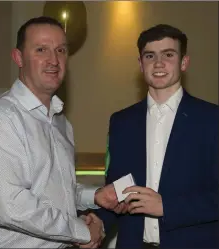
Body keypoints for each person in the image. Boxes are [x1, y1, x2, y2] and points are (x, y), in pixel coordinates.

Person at [0, 16, 125, 248]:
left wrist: (94, 196)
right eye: (41, 49)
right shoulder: (3, 118)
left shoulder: (61, 122)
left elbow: (56, 191)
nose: (53, 60)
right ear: (18, 58)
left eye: (61, 50)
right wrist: (80, 230)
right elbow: (11, 206)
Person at [94, 24, 219, 248]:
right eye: (150, 56)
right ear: (140, 64)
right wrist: (98, 223)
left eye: (168, 55)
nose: (158, 63)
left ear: (184, 62)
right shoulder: (121, 122)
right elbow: (117, 192)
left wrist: (167, 207)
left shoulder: (212, 119)